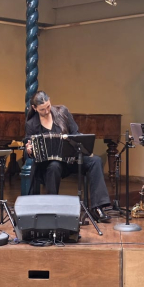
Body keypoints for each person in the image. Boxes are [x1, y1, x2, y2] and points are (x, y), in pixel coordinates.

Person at [25, 91, 111, 223]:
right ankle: (51, 209)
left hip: (71, 159)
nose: (47, 111)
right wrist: (29, 150)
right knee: (53, 167)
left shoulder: (62, 112)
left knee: (95, 161)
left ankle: (97, 207)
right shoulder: (31, 124)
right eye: (42, 109)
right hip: (51, 164)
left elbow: (75, 133)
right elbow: (28, 150)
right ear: (34, 108)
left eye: (48, 106)